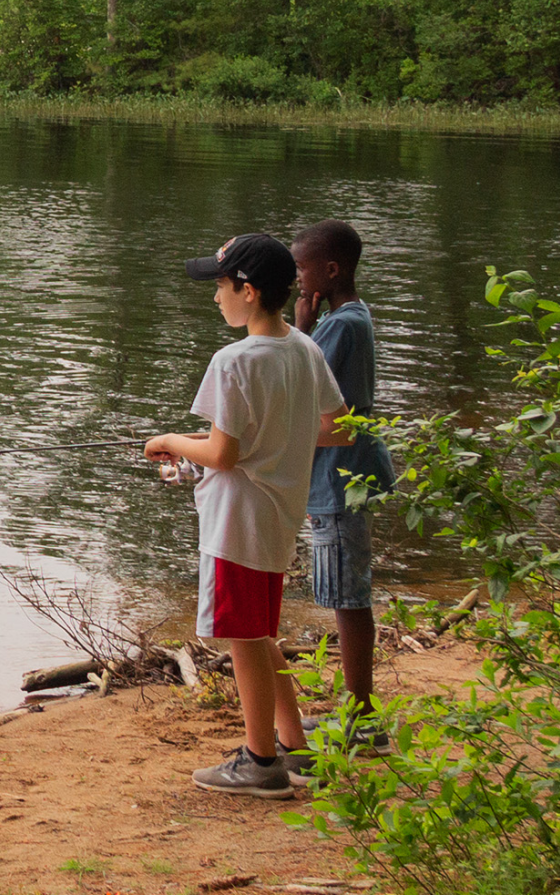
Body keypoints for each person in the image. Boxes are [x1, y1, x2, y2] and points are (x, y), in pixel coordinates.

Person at [146, 233, 351, 799]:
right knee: (260, 632)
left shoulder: (232, 361)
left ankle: (261, 762)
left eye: (219, 287)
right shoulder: (304, 349)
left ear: (249, 290)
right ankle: (294, 748)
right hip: (279, 516)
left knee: (243, 637)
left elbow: (223, 454)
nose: (216, 298)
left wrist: (169, 440)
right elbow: (337, 427)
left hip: (235, 523)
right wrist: (245, 441)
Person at [291, 219, 395, 746]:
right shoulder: (353, 319)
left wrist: (301, 331)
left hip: (340, 479)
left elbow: (302, 390)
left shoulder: (338, 327)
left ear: (330, 270)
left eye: (302, 268)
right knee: (346, 593)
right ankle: (358, 712)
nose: (296, 278)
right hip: (344, 476)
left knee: (348, 597)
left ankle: (363, 720)